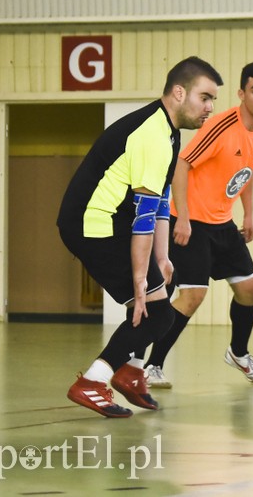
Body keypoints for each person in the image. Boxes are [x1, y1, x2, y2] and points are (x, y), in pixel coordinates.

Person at [57, 56, 224, 417]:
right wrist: (138, 277)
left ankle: (131, 373)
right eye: (205, 98)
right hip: (93, 224)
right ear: (179, 92)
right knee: (156, 314)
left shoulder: (169, 131)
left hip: (107, 222)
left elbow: (162, 201)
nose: (210, 108)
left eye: (213, 100)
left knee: (163, 281)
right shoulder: (152, 134)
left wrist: (161, 260)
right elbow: (144, 217)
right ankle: (92, 381)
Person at [140, 61, 253, 388]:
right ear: (242, 93)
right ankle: (151, 366)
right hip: (191, 222)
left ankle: (238, 353)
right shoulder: (220, 126)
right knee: (193, 296)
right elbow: (182, 165)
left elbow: (247, 173)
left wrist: (248, 215)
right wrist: (183, 217)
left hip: (221, 222)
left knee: (250, 289)